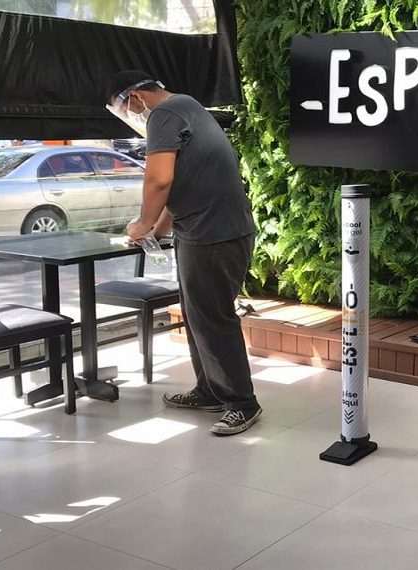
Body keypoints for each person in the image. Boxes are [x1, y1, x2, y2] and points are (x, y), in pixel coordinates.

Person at [106, 70, 262, 436]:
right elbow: (183, 185)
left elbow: (159, 179)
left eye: (123, 110)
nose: (129, 118)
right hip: (215, 231)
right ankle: (210, 390)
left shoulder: (163, 115)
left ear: (135, 99)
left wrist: (142, 223)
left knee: (213, 319)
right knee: (198, 316)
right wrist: (157, 231)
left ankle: (242, 403)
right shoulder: (187, 106)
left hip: (212, 235)